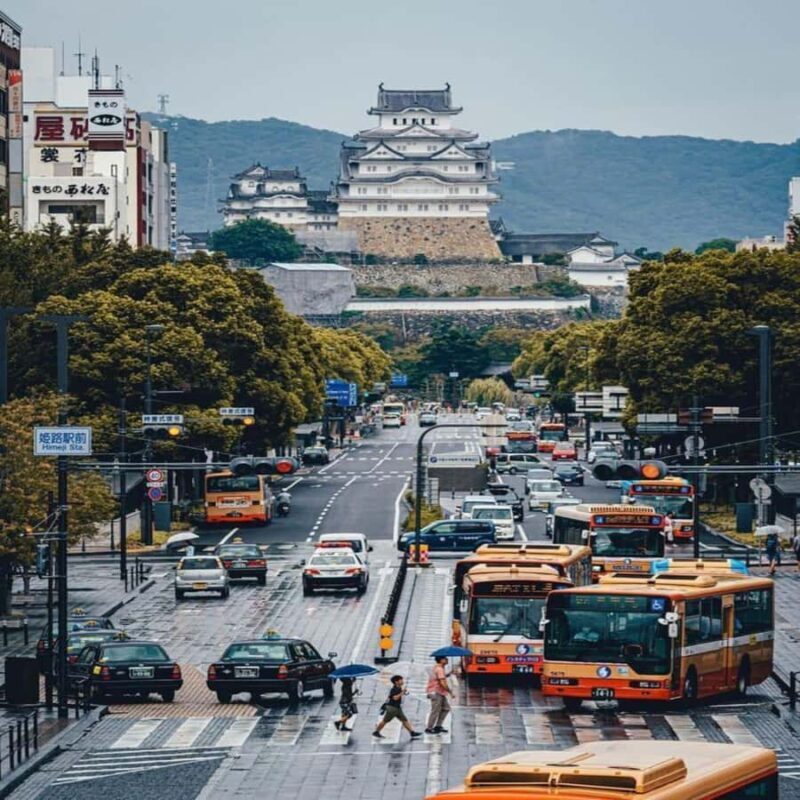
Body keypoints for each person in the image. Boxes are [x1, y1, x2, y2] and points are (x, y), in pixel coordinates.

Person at [425, 656, 454, 735]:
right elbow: (442, 682)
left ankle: (438, 726)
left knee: (446, 708)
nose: (447, 660)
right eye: (445, 659)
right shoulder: (440, 669)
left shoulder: (437, 668)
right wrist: (450, 692)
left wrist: (448, 674)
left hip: (438, 692)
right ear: (441, 660)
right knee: (435, 710)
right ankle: (429, 728)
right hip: (436, 692)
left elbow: (438, 678)